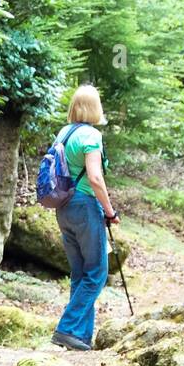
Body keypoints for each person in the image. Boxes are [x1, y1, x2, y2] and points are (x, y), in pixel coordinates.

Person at [51, 84, 117, 352]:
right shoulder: (91, 135)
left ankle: (80, 337)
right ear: (95, 107)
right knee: (97, 273)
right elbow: (95, 178)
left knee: (80, 274)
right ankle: (66, 329)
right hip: (84, 206)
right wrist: (110, 212)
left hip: (63, 207)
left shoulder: (64, 133)